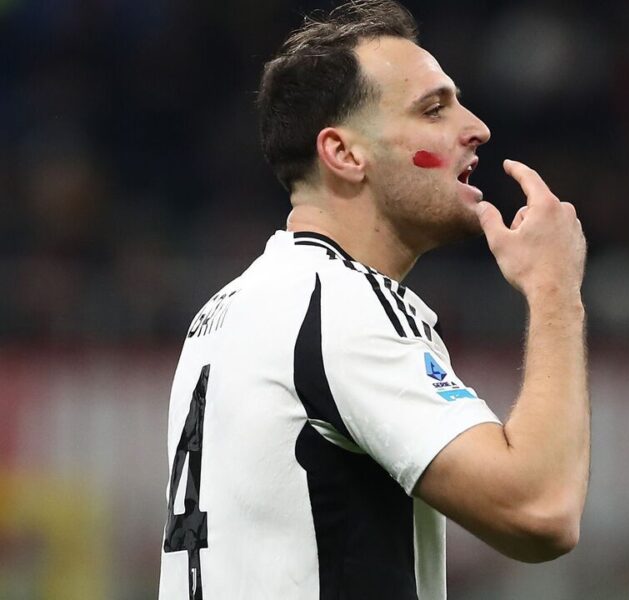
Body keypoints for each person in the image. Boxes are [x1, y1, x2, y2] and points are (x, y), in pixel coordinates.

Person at [158, 1, 589, 598]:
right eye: (433, 108)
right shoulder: (339, 303)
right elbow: (540, 510)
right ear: (344, 153)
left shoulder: (227, 309)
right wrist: (554, 290)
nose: (477, 128)